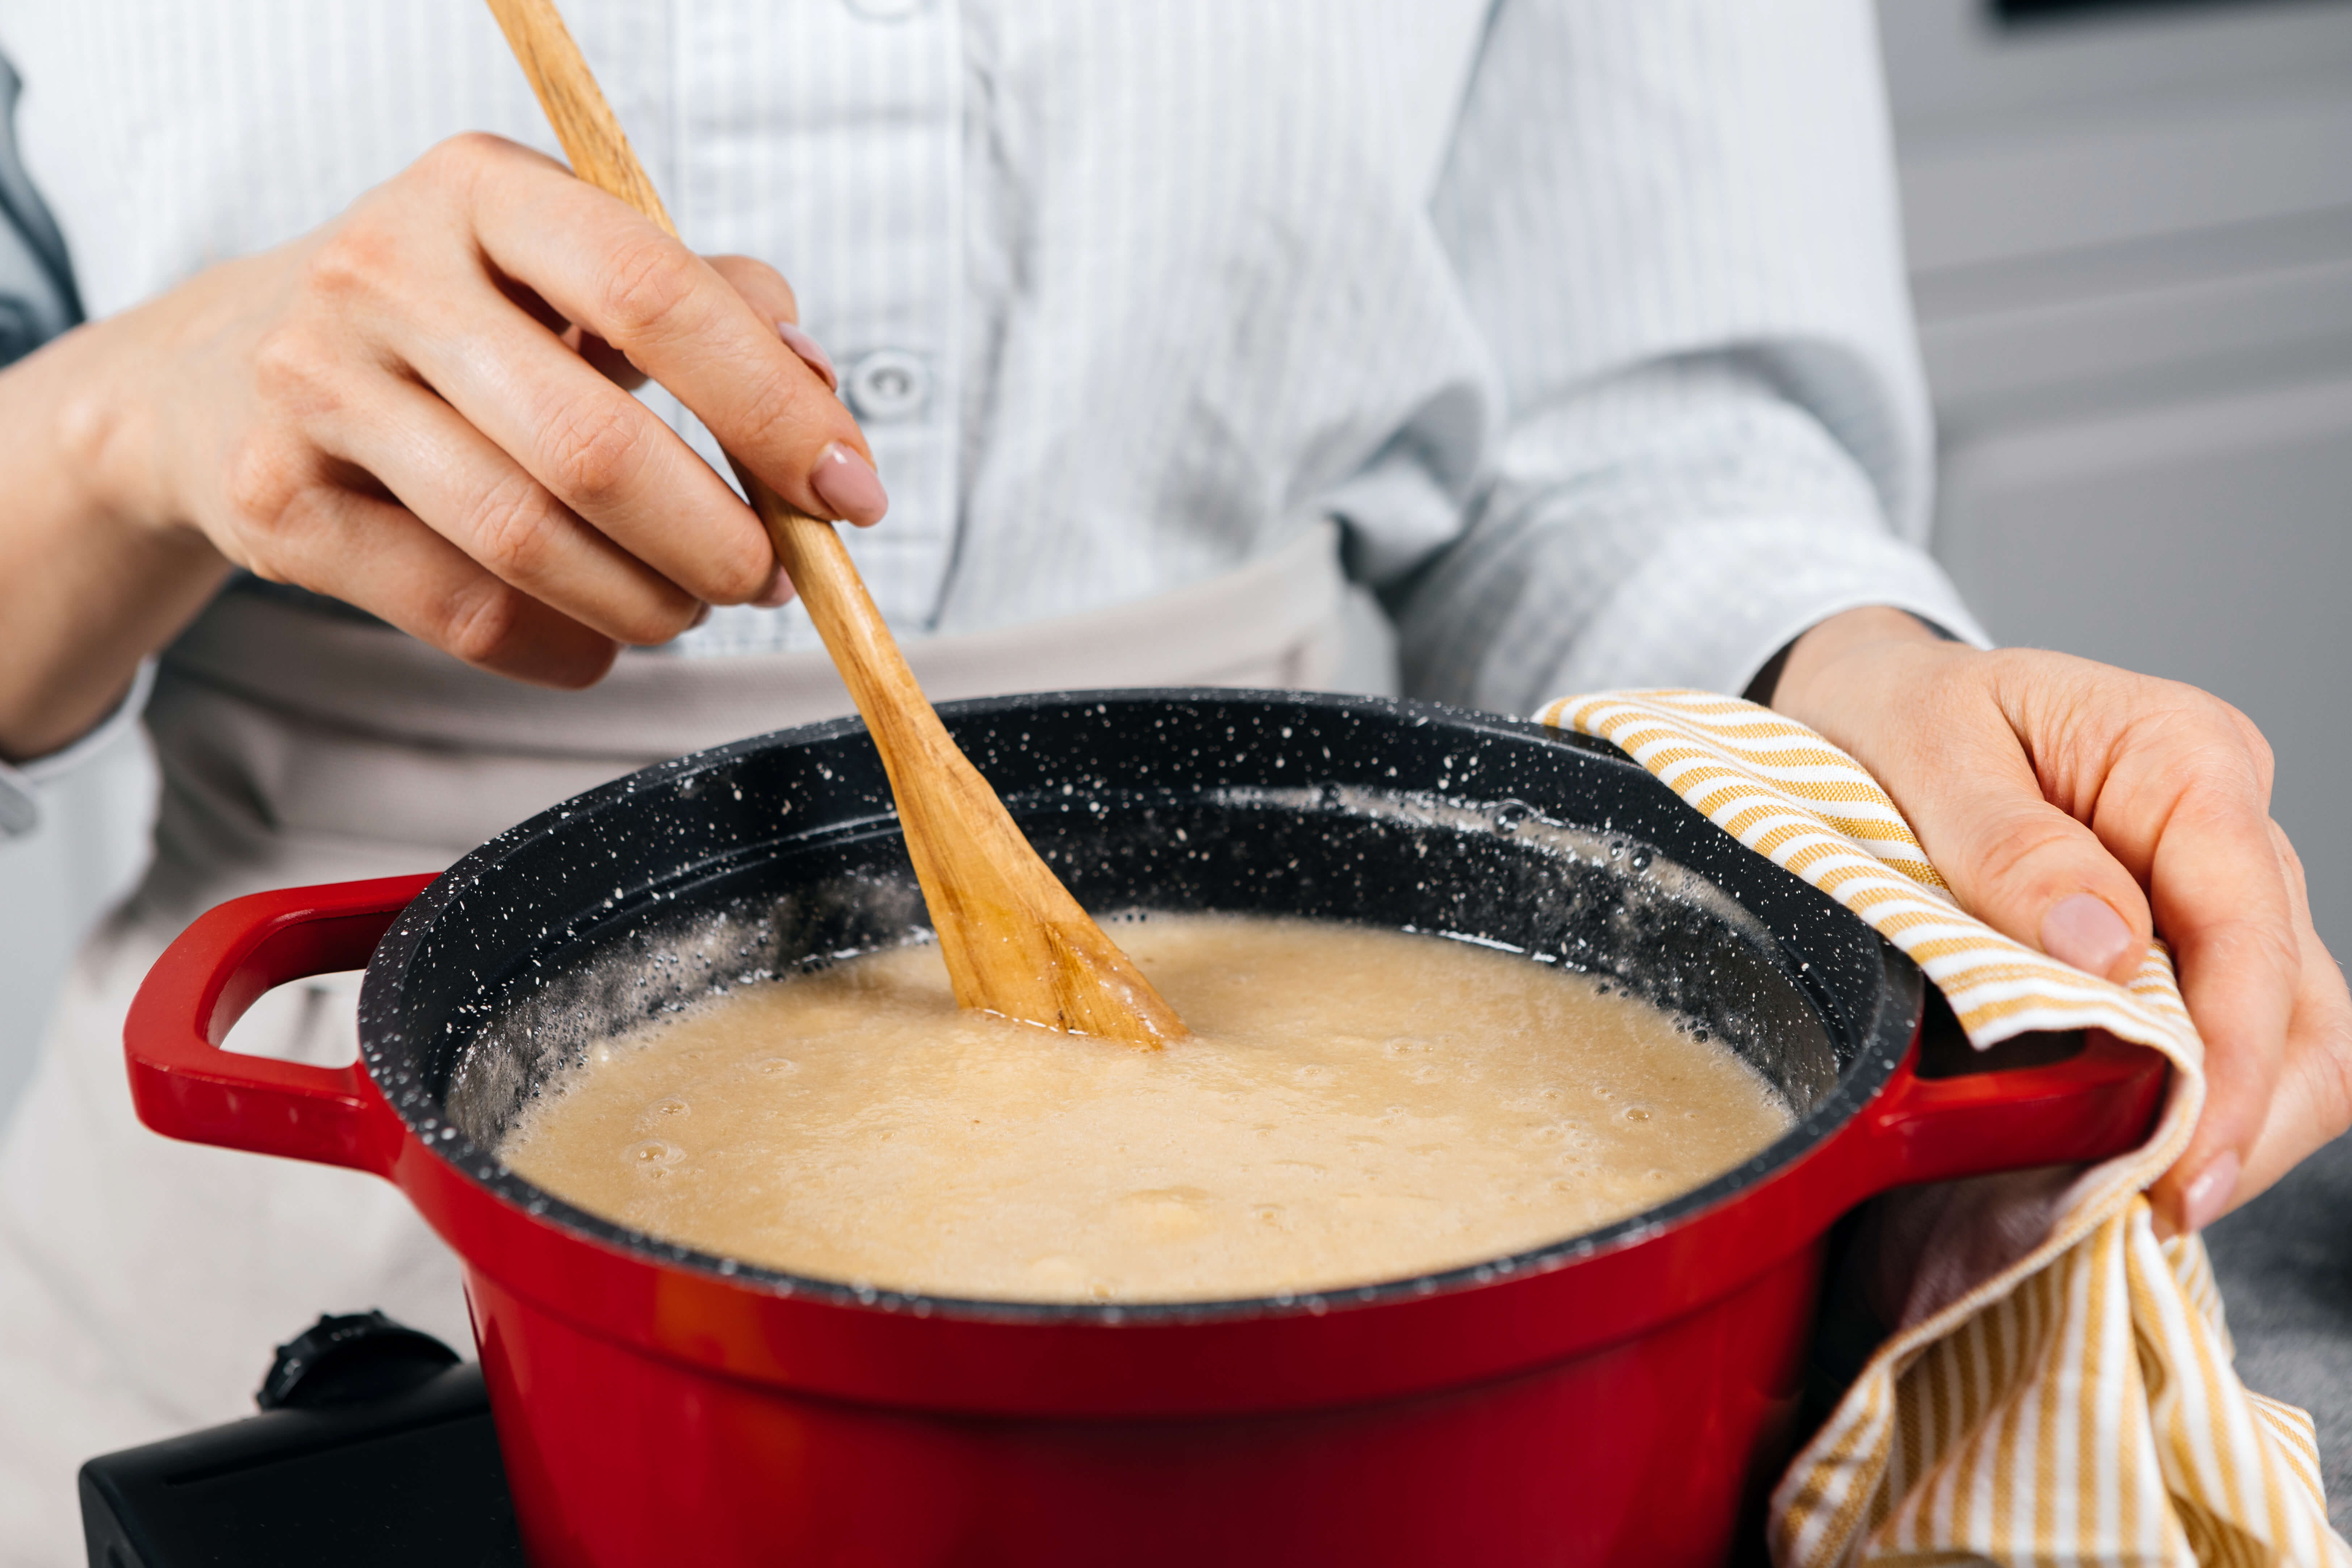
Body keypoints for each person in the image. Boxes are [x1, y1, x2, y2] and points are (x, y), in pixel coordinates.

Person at [0, 0, 2343, 1559]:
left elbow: (1617, 432)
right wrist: (117, 424)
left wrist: (1853, 696)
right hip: (324, 1161)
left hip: (1406, 1366)